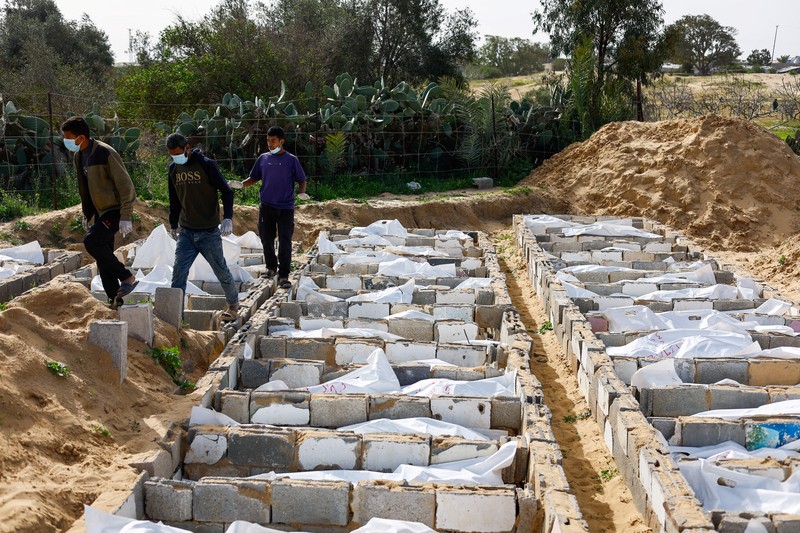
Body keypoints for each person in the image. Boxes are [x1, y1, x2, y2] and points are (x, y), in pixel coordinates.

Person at [61, 116, 138, 309]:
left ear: (81, 137)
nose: (66, 141)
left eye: (68, 137)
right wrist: (87, 214)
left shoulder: (105, 153)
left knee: (91, 241)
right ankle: (115, 300)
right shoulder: (79, 156)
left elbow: (125, 185)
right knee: (104, 259)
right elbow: (84, 188)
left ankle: (127, 277)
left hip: (114, 210)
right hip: (100, 213)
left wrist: (126, 215)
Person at [166, 133, 239, 320]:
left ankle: (233, 305)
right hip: (186, 232)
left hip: (208, 231)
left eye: (178, 153)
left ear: (187, 148)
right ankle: (176, 317)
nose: (176, 157)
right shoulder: (173, 169)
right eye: (172, 155)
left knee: (220, 269)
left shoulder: (206, 165)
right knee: (178, 274)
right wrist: (173, 224)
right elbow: (174, 199)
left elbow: (227, 191)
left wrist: (227, 217)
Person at [234, 126, 308, 289]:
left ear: (282, 141)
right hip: (266, 206)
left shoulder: (291, 160)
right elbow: (254, 177)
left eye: (273, 141)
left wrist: (302, 192)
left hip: (285, 208)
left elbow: (301, 179)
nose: (270, 143)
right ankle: (271, 268)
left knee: (284, 240)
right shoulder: (263, 159)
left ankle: (284, 275)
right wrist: (241, 184)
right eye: (268, 140)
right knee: (266, 239)